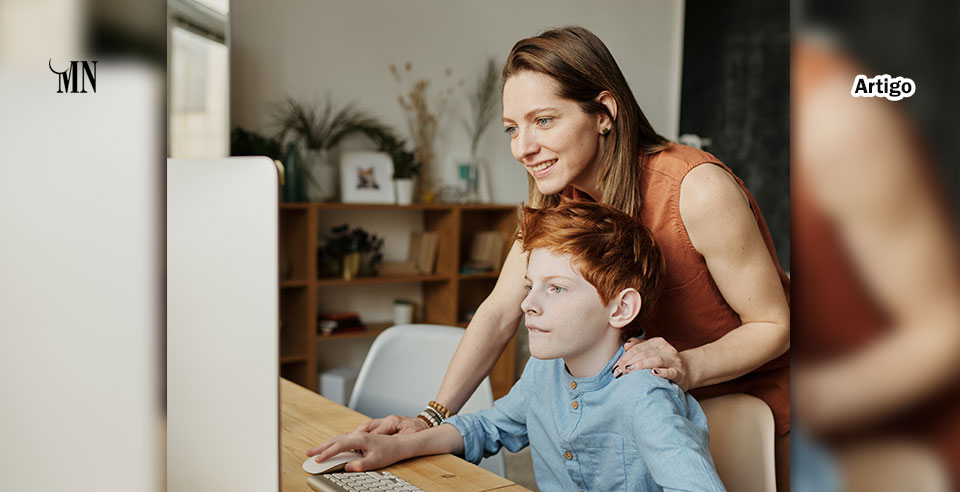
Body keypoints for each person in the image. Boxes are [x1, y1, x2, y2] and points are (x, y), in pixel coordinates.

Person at [358, 26, 791, 488]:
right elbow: (502, 309)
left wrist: (688, 367)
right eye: (512, 128)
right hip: (647, 399)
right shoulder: (558, 201)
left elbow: (774, 325)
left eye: (543, 121)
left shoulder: (697, 190)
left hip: (752, 402)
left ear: (604, 112)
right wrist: (431, 417)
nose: (522, 147)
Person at [309, 202, 727, 492]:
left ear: (620, 309)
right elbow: (488, 427)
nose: (528, 303)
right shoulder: (543, 372)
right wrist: (401, 445)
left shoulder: (644, 395)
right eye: (530, 287)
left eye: (556, 289)